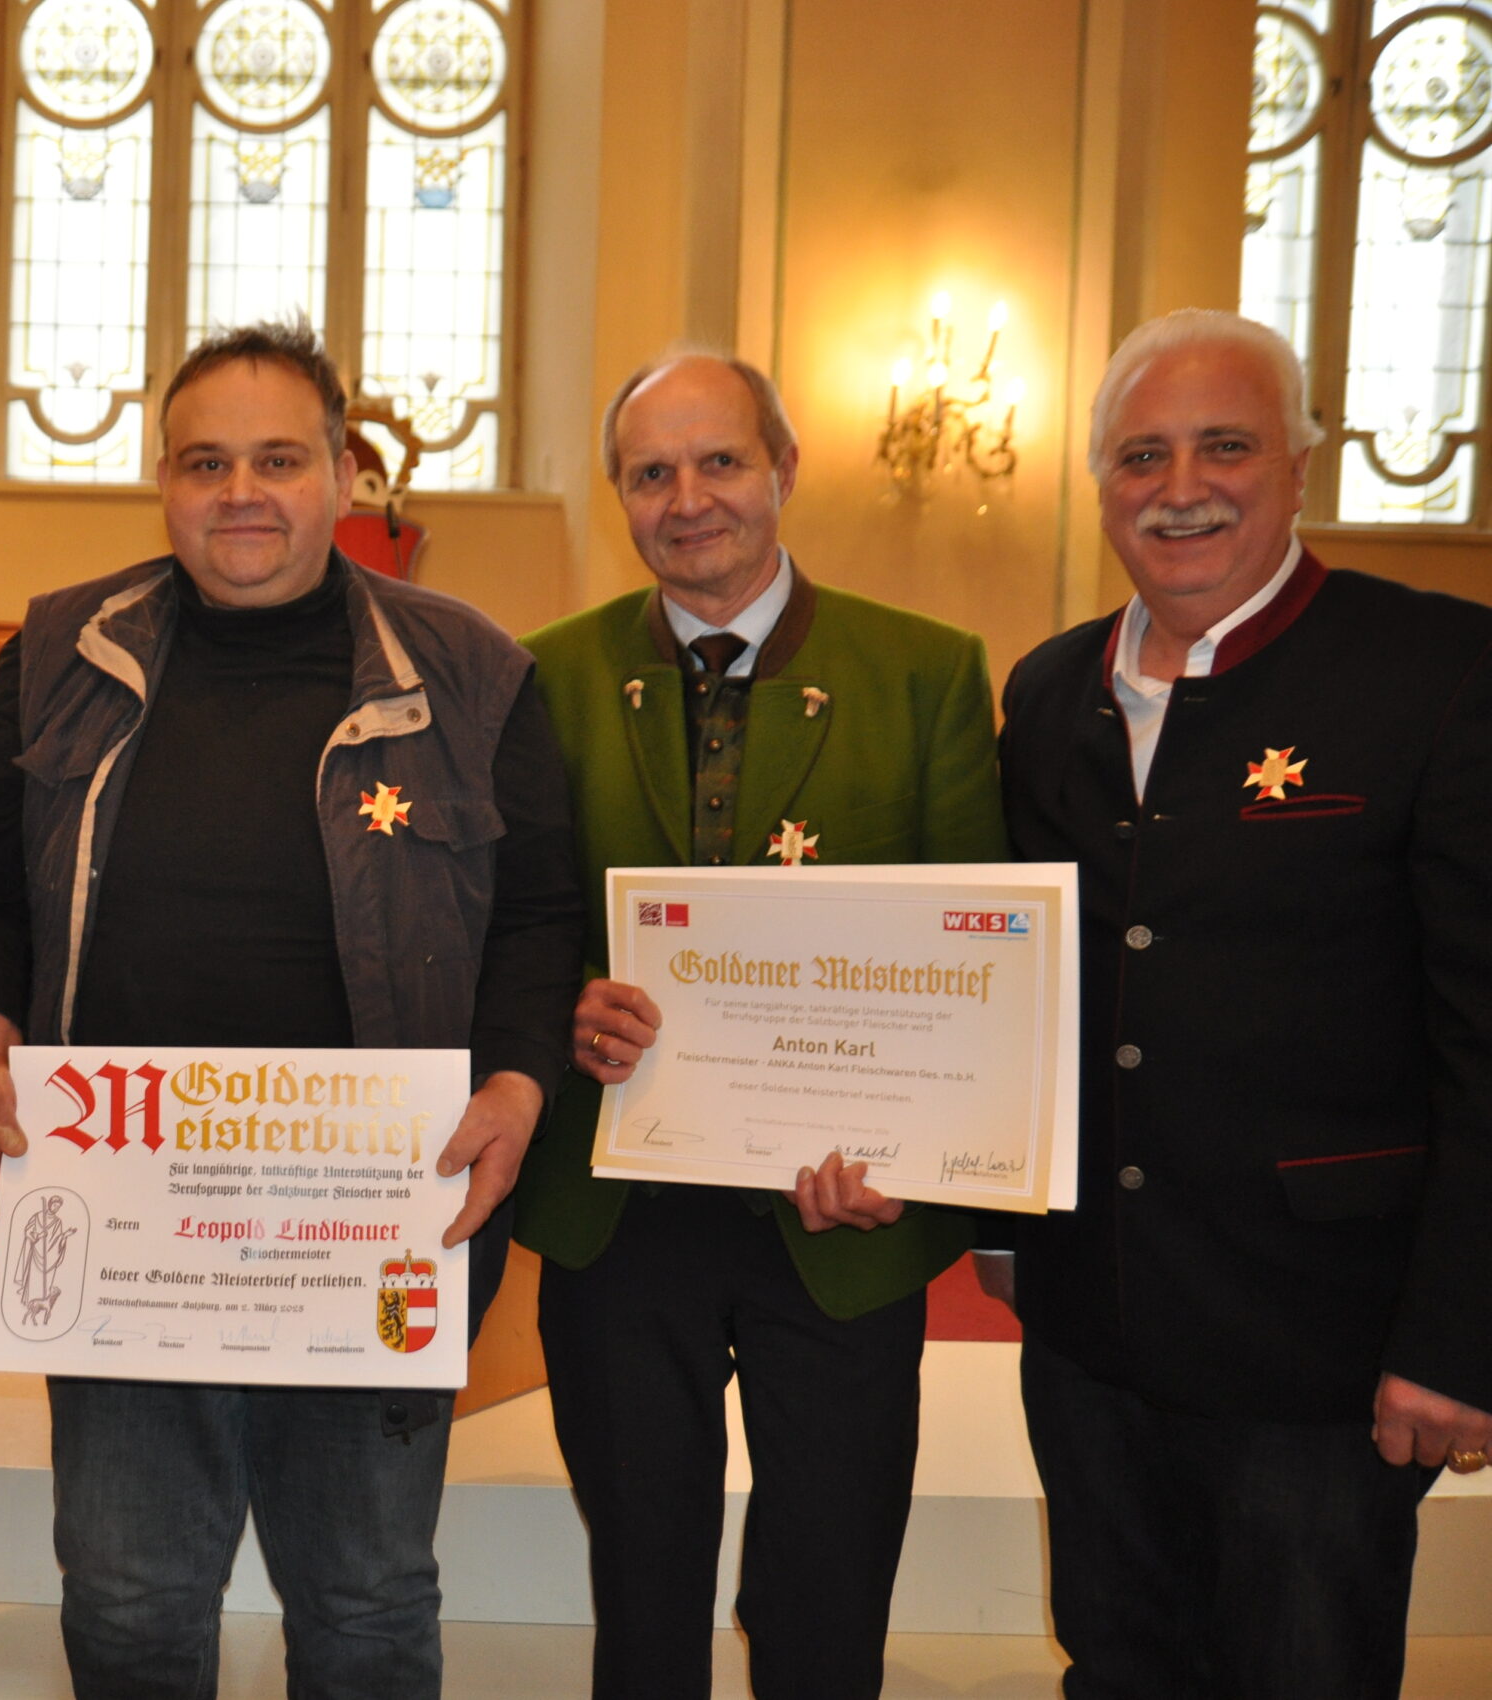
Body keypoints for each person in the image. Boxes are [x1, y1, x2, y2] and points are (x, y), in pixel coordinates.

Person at [0, 319, 584, 1700]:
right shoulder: (57, 651)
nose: (242, 492)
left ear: (343, 474)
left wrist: (519, 1085)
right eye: (206, 462)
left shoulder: (472, 671)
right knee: (127, 1600)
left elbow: (541, 915)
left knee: (364, 1606)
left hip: (374, 1215)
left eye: (279, 459)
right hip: (125, 1213)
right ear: (162, 481)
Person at [989, 308, 1492, 1699]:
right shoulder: (1049, 688)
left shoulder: (1437, 672)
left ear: (1300, 465)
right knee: (1116, 1665)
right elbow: (1012, 982)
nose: (1181, 486)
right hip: (1092, 1325)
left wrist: (1460, 1334)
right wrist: (993, 1211)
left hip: (1322, 1342)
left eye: (1224, 446)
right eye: (1141, 454)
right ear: (1101, 483)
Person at [511, 351, 1005, 1699]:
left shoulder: (924, 672)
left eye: (720, 461)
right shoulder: (544, 676)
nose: (688, 500)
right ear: (618, 494)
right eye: (650, 473)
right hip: (621, 1209)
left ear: (783, 468)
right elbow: (513, 917)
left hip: (842, 1213)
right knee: (641, 1587)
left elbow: (979, 953)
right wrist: (564, 1002)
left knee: (828, 1592)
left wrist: (914, 1157)